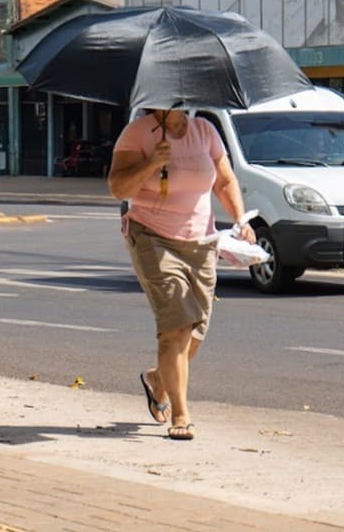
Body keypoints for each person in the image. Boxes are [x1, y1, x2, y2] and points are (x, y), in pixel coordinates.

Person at [108, 107, 255, 441]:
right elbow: (117, 188)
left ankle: (158, 379)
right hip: (152, 235)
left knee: (196, 331)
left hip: (201, 241)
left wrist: (241, 220)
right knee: (176, 327)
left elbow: (225, 180)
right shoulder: (138, 132)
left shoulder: (204, 131)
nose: (180, 103)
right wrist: (151, 163)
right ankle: (181, 413)